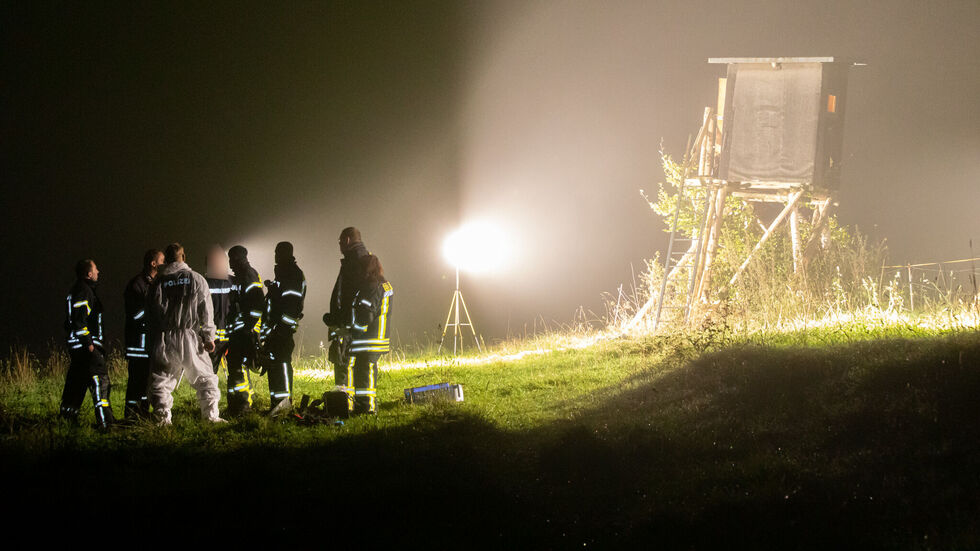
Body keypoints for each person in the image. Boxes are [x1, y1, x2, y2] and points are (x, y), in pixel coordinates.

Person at [146, 243, 224, 424]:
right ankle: (210, 417)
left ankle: (162, 419)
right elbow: (206, 311)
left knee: (161, 380)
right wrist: (209, 337)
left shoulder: (158, 282)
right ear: (184, 257)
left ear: (167, 258)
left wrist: (153, 340)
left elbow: (151, 314)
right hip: (190, 337)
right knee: (205, 377)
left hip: (165, 337)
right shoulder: (196, 279)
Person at [61, 259, 114, 429]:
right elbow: (79, 321)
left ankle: (67, 421)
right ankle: (106, 423)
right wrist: (90, 344)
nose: (99, 272)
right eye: (96, 269)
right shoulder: (84, 291)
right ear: (89, 274)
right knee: (101, 382)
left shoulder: (77, 290)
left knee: (76, 385)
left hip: (77, 348)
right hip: (86, 348)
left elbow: (70, 321)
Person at [258, 241, 306, 412]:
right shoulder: (283, 274)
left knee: (282, 363)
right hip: (275, 330)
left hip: (282, 331)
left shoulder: (292, 275)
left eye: (278, 252)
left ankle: (284, 404)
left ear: (286, 254)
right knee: (274, 365)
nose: (275, 256)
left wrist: (281, 330)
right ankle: (276, 404)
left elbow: (292, 306)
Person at [322, 227, 370, 387]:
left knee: (343, 361)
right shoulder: (363, 259)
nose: (339, 245)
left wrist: (339, 321)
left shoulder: (353, 262)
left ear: (347, 240)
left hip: (346, 325)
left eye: (340, 241)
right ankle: (348, 400)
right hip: (351, 323)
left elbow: (347, 295)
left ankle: (343, 401)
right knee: (349, 362)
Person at [345, 254, 393, 415]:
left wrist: (352, 330)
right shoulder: (383, 283)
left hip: (368, 339)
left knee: (364, 372)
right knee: (365, 371)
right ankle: (364, 406)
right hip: (376, 337)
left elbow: (366, 314)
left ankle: (366, 408)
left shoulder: (371, 285)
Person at [121, 248, 164, 420]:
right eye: (162, 261)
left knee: (147, 383)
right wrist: (152, 308)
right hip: (138, 345)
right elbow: (135, 315)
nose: (165, 264)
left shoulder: (155, 283)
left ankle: (143, 414)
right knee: (136, 383)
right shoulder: (136, 285)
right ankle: (131, 417)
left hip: (149, 345)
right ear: (153, 263)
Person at [226, 245, 264, 415]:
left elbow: (257, 305)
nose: (230, 263)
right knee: (236, 367)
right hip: (241, 329)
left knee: (239, 367)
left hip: (246, 330)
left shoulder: (249, 275)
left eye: (232, 259)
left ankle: (243, 406)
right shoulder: (241, 276)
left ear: (238, 258)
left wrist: (249, 328)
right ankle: (238, 403)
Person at [205, 245, 233, 375]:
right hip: (212, 338)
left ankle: (243, 394)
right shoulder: (203, 284)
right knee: (209, 372)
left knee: (238, 371)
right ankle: (209, 395)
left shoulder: (232, 282)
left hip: (231, 336)